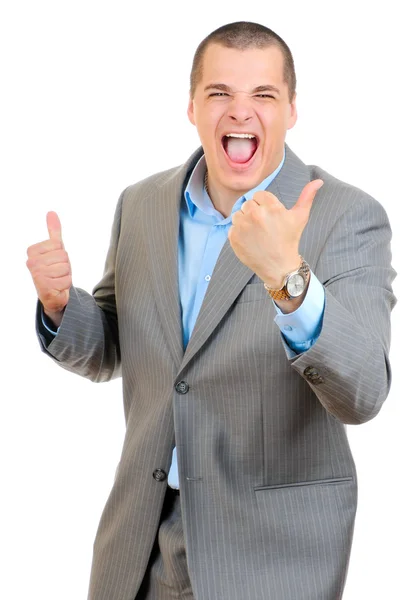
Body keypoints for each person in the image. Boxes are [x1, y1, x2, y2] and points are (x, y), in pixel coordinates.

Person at [26, 21, 396, 600]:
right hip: (142, 539)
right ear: (192, 106)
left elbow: (364, 391)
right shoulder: (143, 204)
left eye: (263, 96)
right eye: (220, 94)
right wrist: (58, 306)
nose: (240, 113)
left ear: (292, 109)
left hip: (270, 556)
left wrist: (287, 279)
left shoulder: (347, 215)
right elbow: (116, 343)